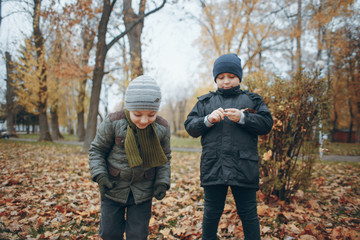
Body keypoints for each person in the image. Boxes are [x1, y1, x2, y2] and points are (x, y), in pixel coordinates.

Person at [184, 53, 273, 240]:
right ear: (216, 78)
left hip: (244, 165)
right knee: (211, 213)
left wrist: (243, 118)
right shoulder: (205, 102)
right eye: (221, 77)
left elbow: (266, 124)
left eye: (231, 77)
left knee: (248, 213)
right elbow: (190, 127)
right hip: (213, 165)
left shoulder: (252, 100)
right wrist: (207, 120)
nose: (226, 81)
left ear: (239, 77)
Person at [89, 75, 171, 240]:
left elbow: (165, 158)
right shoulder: (113, 122)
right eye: (138, 114)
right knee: (110, 233)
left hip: (143, 191)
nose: (144, 120)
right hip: (114, 188)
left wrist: (162, 182)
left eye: (151, 114)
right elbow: (97, 150)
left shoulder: (162, 128)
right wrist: (101, 176)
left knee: (137, 235)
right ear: (128, 108)